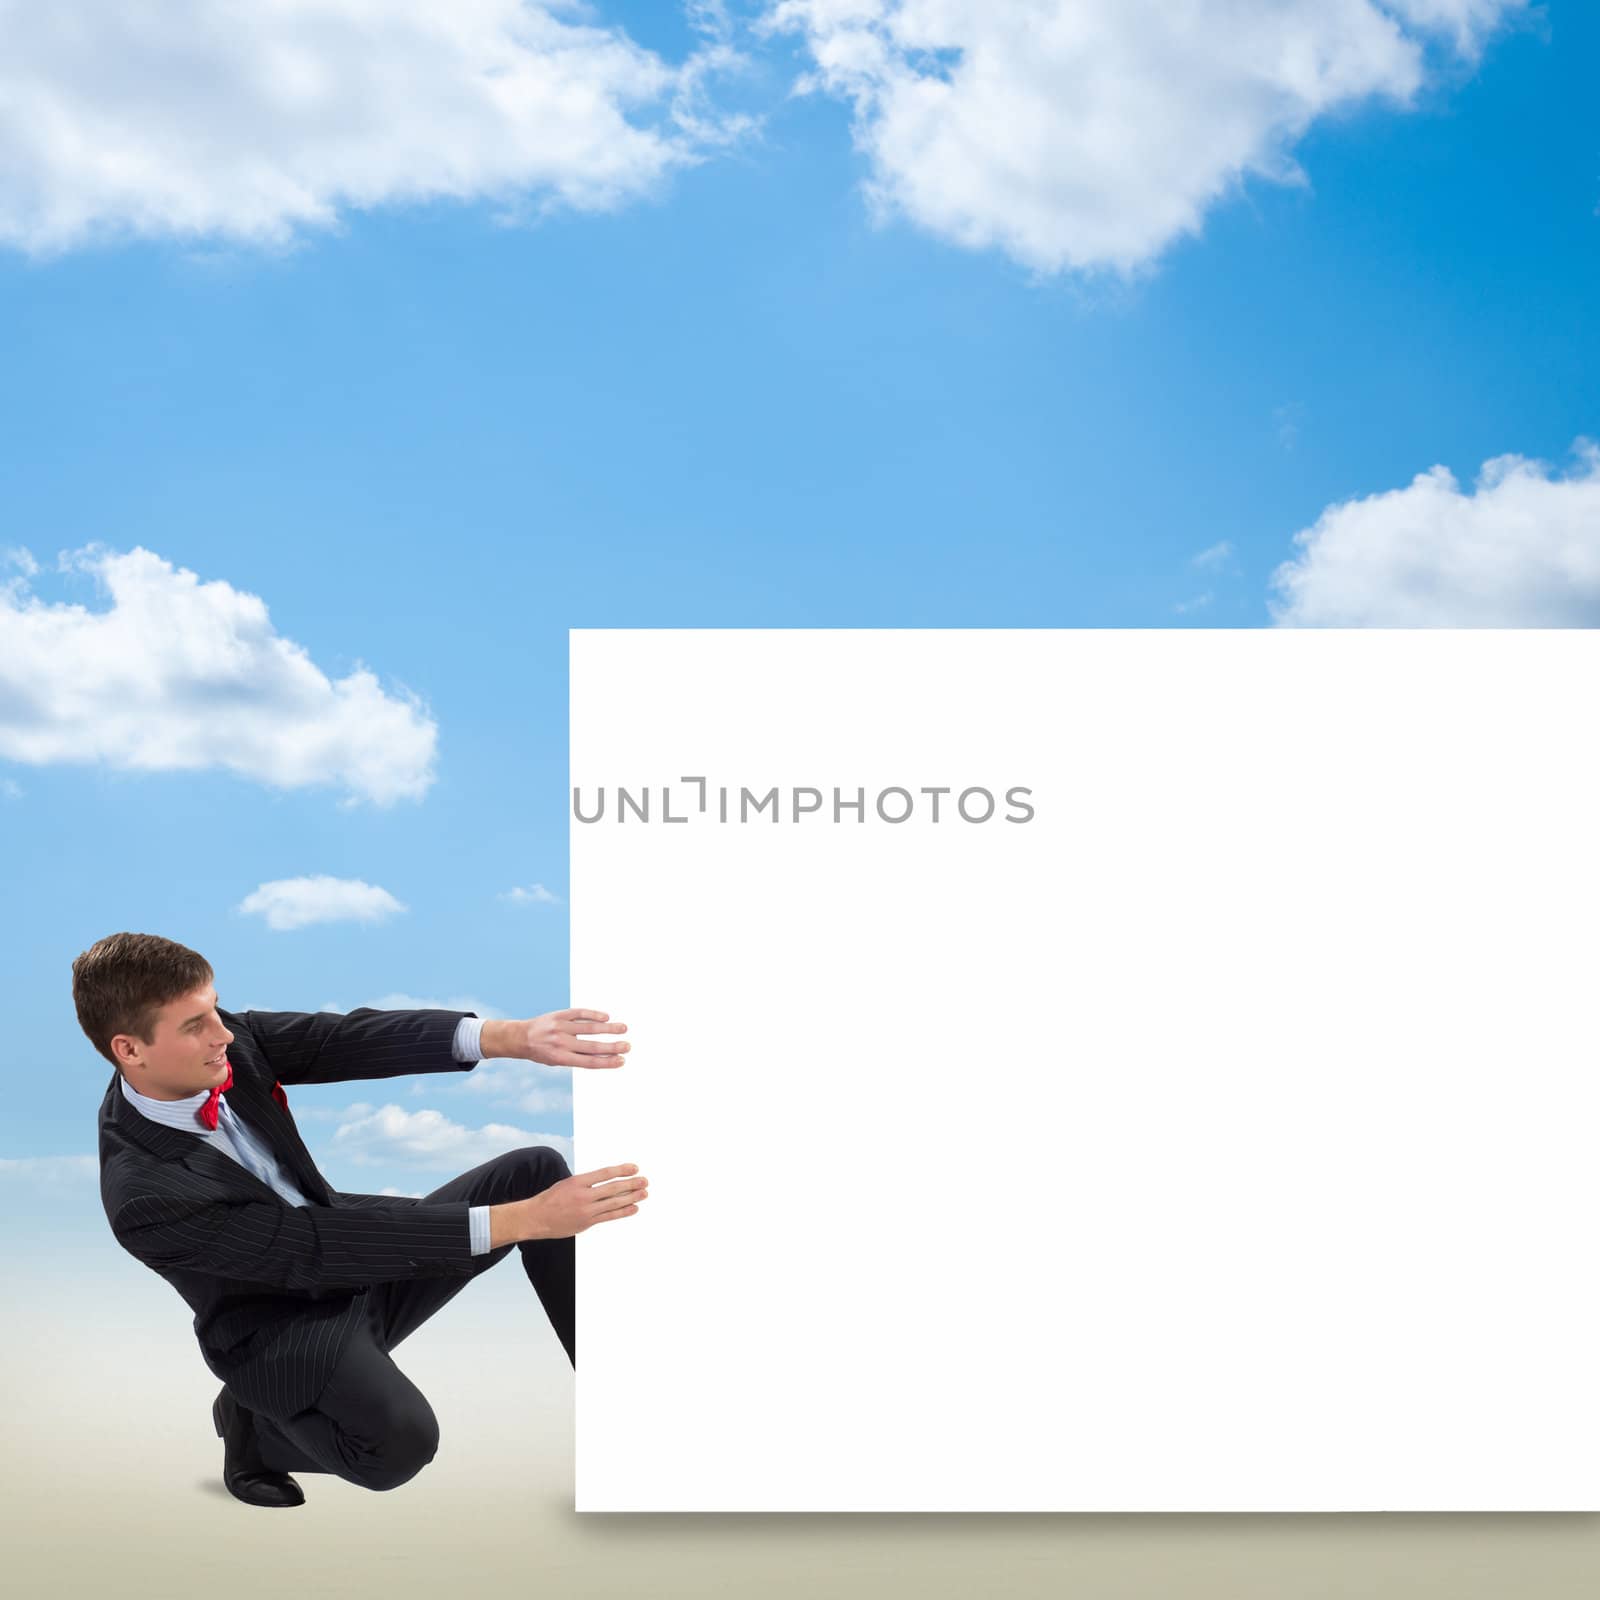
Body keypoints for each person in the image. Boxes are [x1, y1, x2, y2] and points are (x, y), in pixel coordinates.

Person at [75, 930, 648, 1508]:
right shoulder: (144, 1196)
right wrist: (522, 1221)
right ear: (130, 1050)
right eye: (194, 1025)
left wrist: (512, 1037)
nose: (223, 1033)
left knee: (537, 1171)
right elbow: (311, 1249)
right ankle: (257, 1426)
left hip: (338, 1232)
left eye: (214, 1009)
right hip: (279, 1317)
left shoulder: (227, 1038)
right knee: (400, 1446)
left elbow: (340, 1039)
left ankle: (626, 1413)